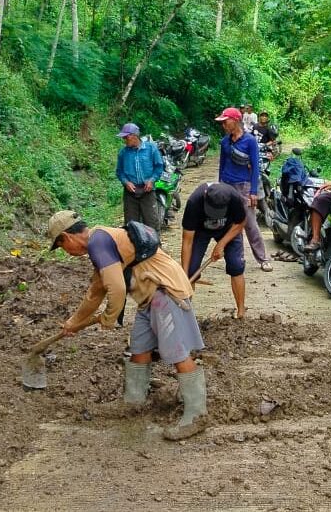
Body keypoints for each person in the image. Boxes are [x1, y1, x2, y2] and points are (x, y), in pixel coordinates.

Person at [47, 210, 208, 440]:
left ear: (67, 237)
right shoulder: (101, 244)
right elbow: (95, 293)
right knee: (139, 350)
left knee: (177, 352)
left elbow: (118, 289)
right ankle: (133, 402)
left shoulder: (98, 241)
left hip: (166, 292)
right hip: (148, 297)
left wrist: (109, 318)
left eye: (62, 247)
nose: (67, 252)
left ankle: (196, 414)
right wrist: (73, 322)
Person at [215, 107, 274, 272]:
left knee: (250, 223)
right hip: (227, 185)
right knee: (230, 223)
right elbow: (222, 165)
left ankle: (263, 258)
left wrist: (253, 191)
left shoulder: (249, 141)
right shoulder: (224, 142)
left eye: (225, 122)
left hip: (244, 186)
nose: (223, 126)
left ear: (235, 121)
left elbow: (255, 167)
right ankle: (237, 257)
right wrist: (220, 185)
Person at [181, 182, 248, 318]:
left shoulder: (234, 198)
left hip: (229, 230)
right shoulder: (194, 202)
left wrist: (221, 243)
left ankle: (241, 311)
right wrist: (184, 275)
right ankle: (185, 315)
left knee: (236, 266)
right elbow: (187, 241)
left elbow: (241, 222)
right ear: (205, 196)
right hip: (200, 232)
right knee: (190, 271)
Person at [115, 122, 164, 232]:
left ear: (134, 136)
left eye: (126, 137)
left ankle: (155, 248)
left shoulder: (151, 149)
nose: (124, 140)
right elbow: (119, 172)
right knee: (131, 225)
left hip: (147, 191)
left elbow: (159, 167)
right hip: (130, 193)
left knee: (152, 223)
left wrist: (152, 180)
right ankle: (133, 248)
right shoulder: (123, 153)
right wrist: (126, 182)